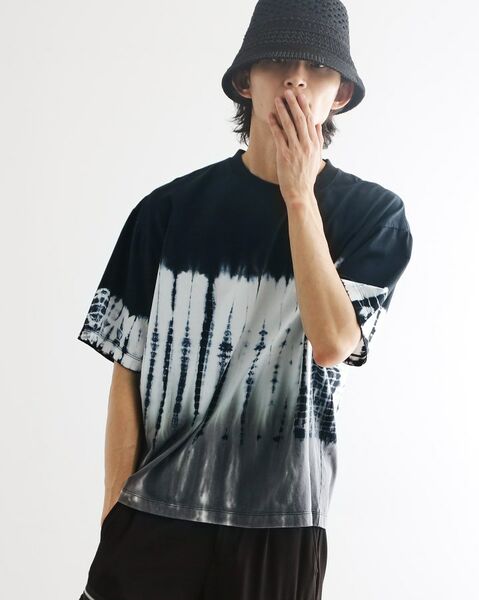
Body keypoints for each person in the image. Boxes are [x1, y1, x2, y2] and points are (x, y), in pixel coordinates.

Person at [76, 1, 413, 598]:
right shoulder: (167, 211)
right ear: (245, 81)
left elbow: (334, 343)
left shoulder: (374, 216)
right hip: (153, 515)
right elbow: (126, 368)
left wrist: (299, 196)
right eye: (279, 61)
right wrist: (113, 509)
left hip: (281, 523)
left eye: (318, 68)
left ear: (340, 94)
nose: (296, 81)